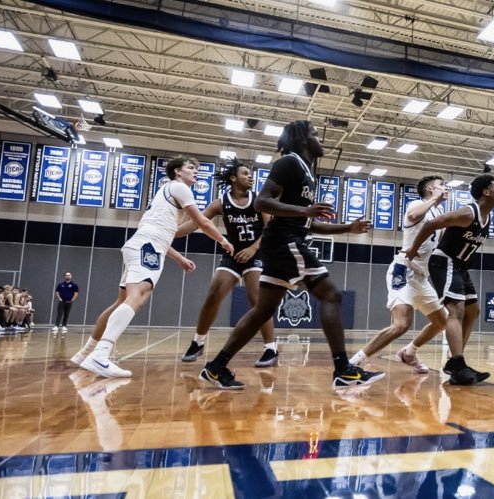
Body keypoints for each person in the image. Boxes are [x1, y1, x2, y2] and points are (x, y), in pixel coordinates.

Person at [196, 121, 386, 390]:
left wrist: (348, 228)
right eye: (316, 134)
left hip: (284, 241)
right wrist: (305, 212)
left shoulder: (306, 172)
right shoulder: (290, 163)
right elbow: (263, 201)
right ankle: (343, 369)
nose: (321, 139)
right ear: (303, 139)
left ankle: (216, 368)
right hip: (286, 242)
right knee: (331, 295)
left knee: (263, 310)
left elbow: (308, 223)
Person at [70, 156, 233, 378]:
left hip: (142, 244)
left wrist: (179, 258)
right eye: (191, 167)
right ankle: (101, 354)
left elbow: (160, 235)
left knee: (121, 302)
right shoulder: (180, 188)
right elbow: (202, 222)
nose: (196, 171)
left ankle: (85, 353)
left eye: (197, 168)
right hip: (147, 247)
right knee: (139, 295)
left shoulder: (166, 192)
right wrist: (223, 241)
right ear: (177, 171)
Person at [396, 174, 494, 385]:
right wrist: (412, 250)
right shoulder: (468, 212)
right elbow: (430, 225)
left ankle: (454, 363)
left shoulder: (488, 217)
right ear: (486, 192)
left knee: (473, 311)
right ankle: (458, 364)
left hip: (460, 266)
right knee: (456, 311)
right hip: (444, 261)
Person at [350, 175, 459, 376]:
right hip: (404, 270)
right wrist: (434, 198)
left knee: (442, 321)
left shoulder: (439, 211)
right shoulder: (418, 203)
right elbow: (411, 217)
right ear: (429, 189)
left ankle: (409, 352)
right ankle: (354, 363)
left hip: (422, 277)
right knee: (401, 325)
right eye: (441, 185)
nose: (445, 187)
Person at [181, 160, 278, 367]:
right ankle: (198, 342)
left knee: (258, 300)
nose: (250, 176)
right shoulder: (220, 203)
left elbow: (271, 229)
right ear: (234, 178)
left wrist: (253, 248)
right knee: (214, 293)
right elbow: (196, 222)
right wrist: (168, 233)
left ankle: (271, 349)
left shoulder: (259, 200)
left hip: (258, 253)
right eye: (245, 173)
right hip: (233, 255)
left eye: (250, 174)